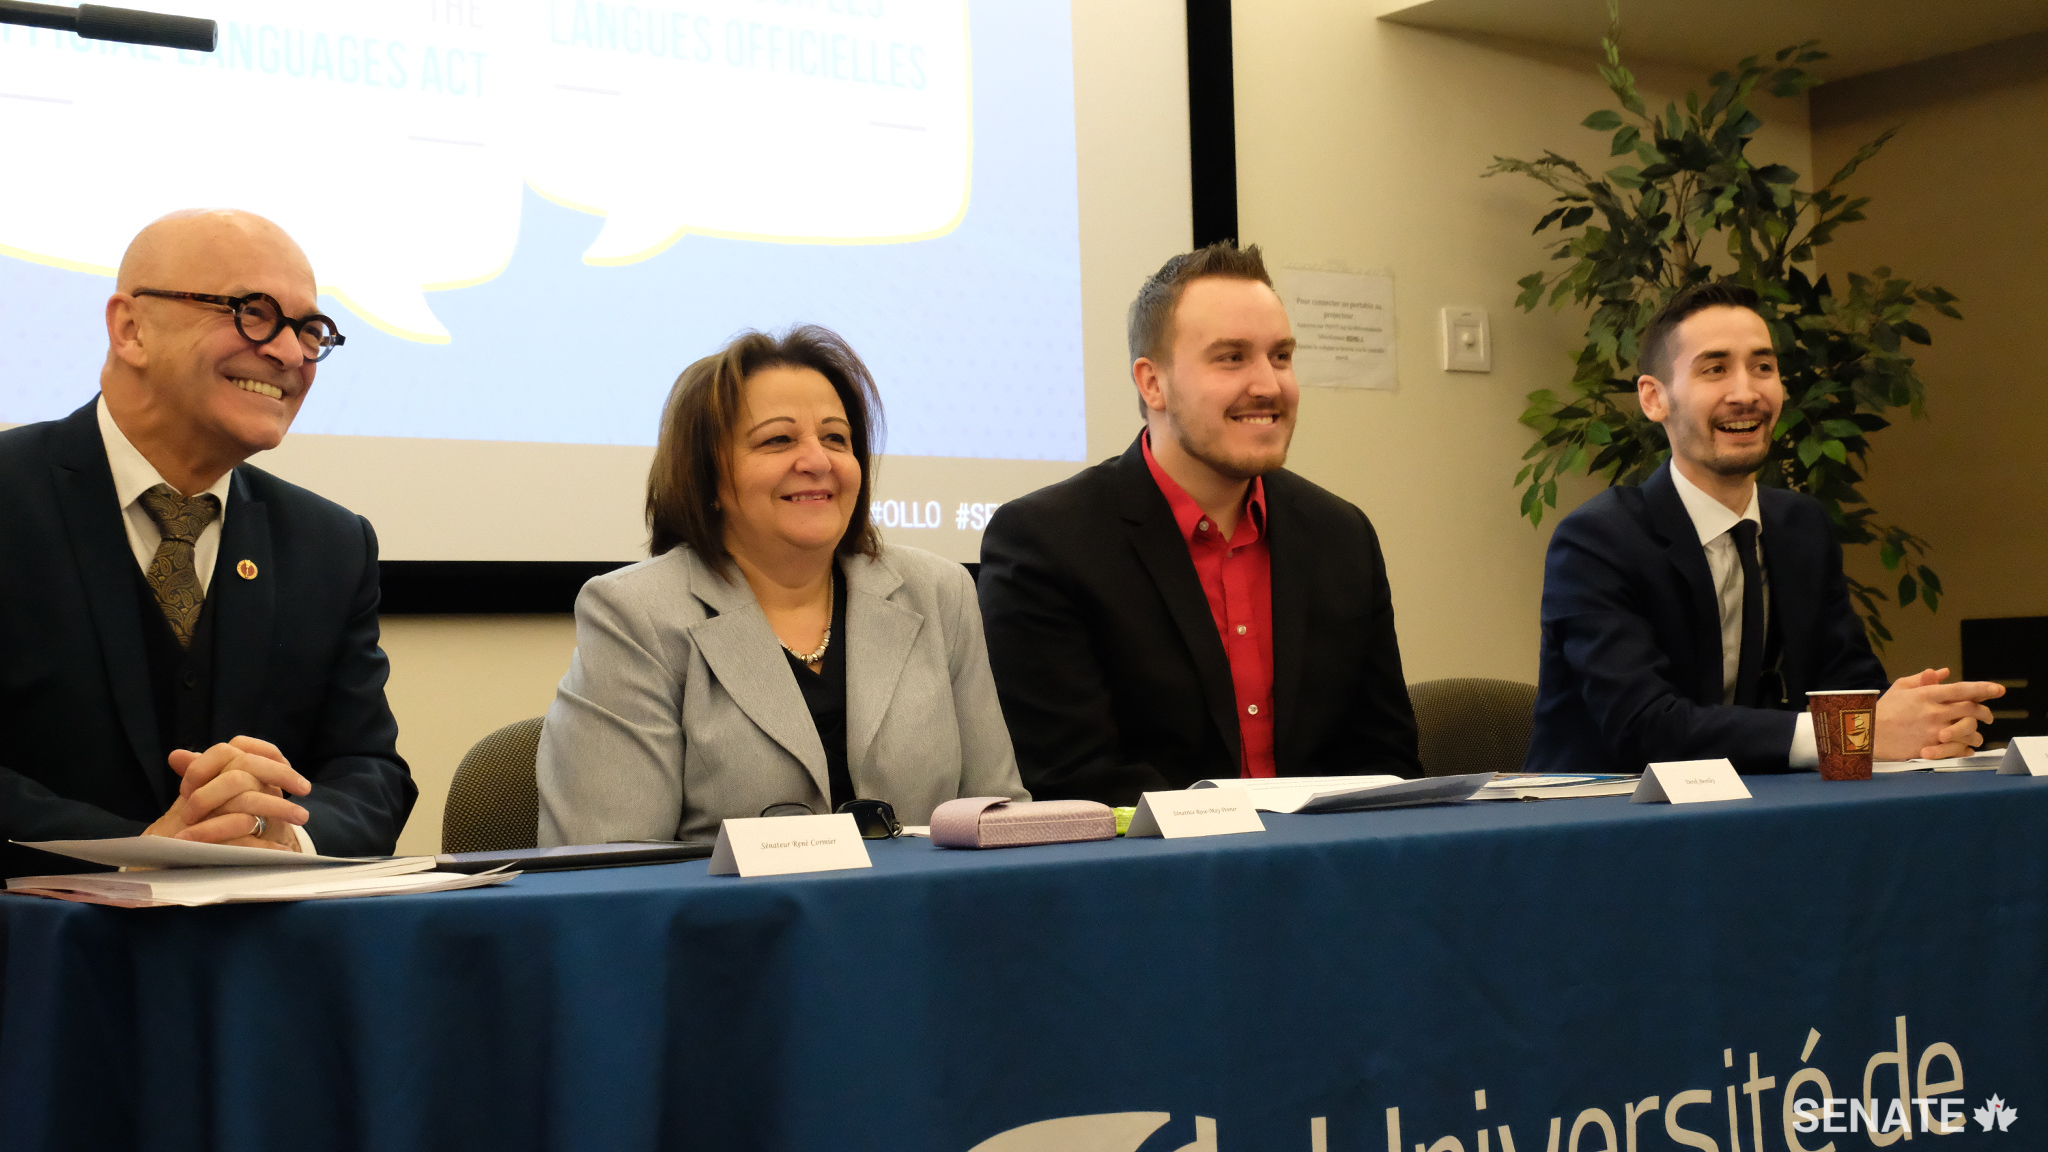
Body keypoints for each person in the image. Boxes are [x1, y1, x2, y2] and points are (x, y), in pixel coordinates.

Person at [0, 210, 416, 878]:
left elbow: (369, 773)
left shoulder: (330, 545)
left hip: (260, 963)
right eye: (253, 312)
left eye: (310, 330)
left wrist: (282, 837)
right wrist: (147, 848)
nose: (288, 354)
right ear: (131, 329)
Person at [536, 326, 1026, 845]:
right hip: (734, 924)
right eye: (778, 440)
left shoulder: (938, 591)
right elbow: (611, 862)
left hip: (924, 918)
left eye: (836, 438)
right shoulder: (633, 614)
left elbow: (998, 817)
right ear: (708, 478)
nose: (818, 461)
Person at [977, 242, 1421, 805]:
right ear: (1152, 383)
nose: (1268, 385)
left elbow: (1387, 763)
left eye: (1281, 356)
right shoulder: (1047, 542)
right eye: (1231, 357)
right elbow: (1076, 780)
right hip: (1152, 881)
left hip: (1329, 875)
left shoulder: (1342, 535)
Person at [1527, 280, 2003, 774]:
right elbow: (1643, 727)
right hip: (1606, 825)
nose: (1746, 393)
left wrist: (1927, 726)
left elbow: (1849, 689)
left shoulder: (1801, 526)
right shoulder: (1597, 541)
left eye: (1763, 368)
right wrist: (1848, 731)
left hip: (1764, 811)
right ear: (1654, 399)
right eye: (1715, 369)